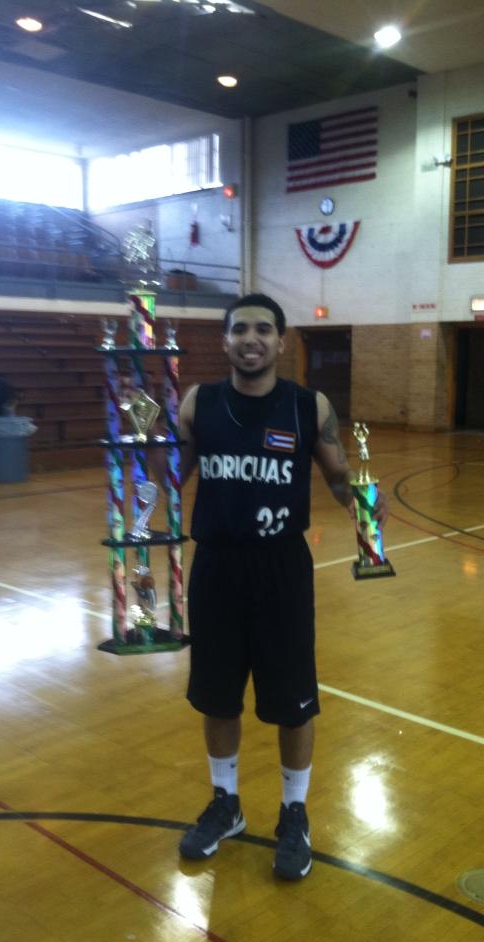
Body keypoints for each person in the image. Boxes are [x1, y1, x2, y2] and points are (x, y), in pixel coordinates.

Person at [173, 293, 387, 881]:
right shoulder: (198, 403)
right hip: (217, 567)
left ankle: (295, 813)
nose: (251, 339)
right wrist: (135, 470)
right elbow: (169, 479)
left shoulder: (306, 406)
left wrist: (362, 502)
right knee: (217, 695)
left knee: (293, 701)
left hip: (282, 570)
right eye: (240, 329)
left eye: (263, 330)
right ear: (224, 340)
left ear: (281, 340)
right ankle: (226, 803)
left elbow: (338, 477)